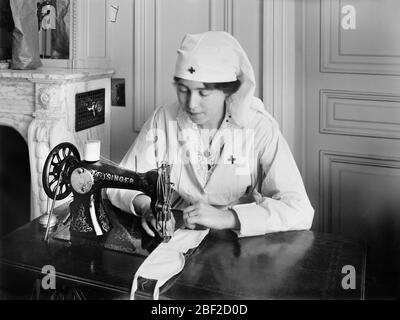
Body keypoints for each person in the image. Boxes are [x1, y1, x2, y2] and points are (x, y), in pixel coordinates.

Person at [107, 31, 314, 238]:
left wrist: (229, 218)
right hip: (177, 233)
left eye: (203, 93)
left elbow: (299, 209)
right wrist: (146, 207)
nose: (191, 104)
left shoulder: (260, 127)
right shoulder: (163, 119)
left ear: (228, 91)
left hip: (240, 242)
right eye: (183, 90)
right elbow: (119, 182)